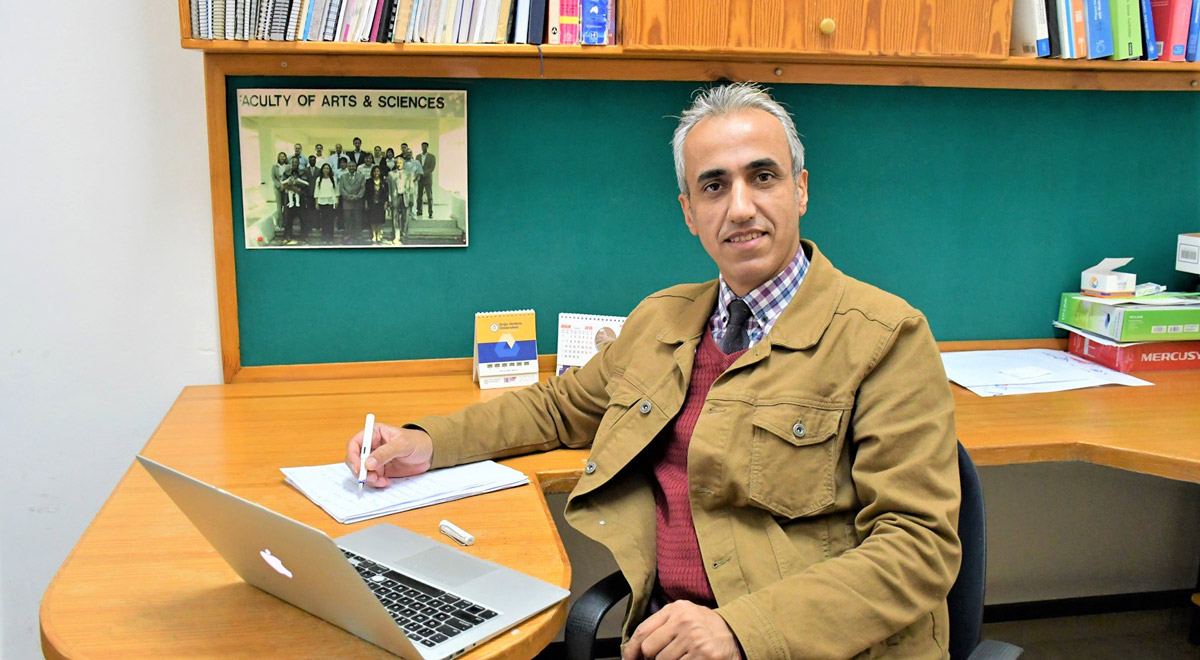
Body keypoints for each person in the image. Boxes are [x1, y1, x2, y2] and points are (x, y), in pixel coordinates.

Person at [345, 83, 960, 660]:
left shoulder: (886, 337)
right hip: (670, 635)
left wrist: (740, 631)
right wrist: (426, 442)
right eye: (714, 186)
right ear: (689, 211)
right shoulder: (663, 319)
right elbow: (557, 409)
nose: (740, 207)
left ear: (800, 189)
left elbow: (918, 547)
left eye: (763, 177)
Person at [279, 158, 308, 245]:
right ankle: (287, 236)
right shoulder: (286, 173)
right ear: (290, 163)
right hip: (289, 199)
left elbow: (305, 184)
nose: (294, 164)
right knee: (288, 219)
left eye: (296, 162)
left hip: (300, 198)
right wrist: (292, 187)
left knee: (303, 218)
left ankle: (304, 237)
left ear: (299, 163)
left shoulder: (302, 172)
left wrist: (295, 185)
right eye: (293, 162)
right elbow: (283, 185)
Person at [338, 160, 366, 245]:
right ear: (347, 167)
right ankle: (347, 237)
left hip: (357, 202)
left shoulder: (361, 176)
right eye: (349, 166)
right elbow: (341, 188)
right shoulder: (343, 177)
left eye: (353, 166)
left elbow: (362, 188)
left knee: (358, 220)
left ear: (356, 167)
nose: (351, 168)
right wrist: (347, 196)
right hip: (347, 202)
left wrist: (356, 197)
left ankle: (358, 237)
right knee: (347, 221)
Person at [313, 163, 338, 243]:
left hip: (331, 201)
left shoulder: (333, 179)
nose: (326, 170)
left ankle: (330, 237)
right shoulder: (318, 179)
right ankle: (324, 237)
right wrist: (316, 203)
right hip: (322, 201)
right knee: (324, 221)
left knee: (330, 220)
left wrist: (336, 201)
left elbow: (336, 191)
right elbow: (316, 191)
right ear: (322, 170)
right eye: (324, 168)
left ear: (329, 170)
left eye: (327, 168)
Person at [365, 165, 389, 245]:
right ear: (372, 172)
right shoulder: (368, 181)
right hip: (372, 203)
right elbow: (366, 193)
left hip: (381, 203)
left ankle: (378, 234)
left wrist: (386, 203)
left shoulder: (384, 182)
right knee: (372, 219)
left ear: (380, 172)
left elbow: (386, 194)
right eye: (374, 171)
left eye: (378, 171)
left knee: (380, 220)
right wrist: (366, 203)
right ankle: (374, 235)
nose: (376, 173)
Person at [270, 151, 289, 232]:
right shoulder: (275, 166)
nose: (282, 158)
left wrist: (284, 185)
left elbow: (289, 176)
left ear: (285, 158)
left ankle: (286, 223)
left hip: (286, 187)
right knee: (279, 206)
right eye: (280, 156)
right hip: (277, 188)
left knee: (286, 206)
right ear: (278, 157)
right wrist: (279, 185)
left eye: (283, 156)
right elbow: (273, 177)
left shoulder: (288, 166)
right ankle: (280, 224)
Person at [415, 142, 436, 217]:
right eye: (422, 146)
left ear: (427, 147)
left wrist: (423, 173)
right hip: (420, 179)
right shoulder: (418, 157)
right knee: (419, 196)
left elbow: (432, 168)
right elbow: (416, 166)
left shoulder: (432, 157)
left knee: (429, 196)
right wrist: (418, 174)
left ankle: (430, 212)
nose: (424, 148)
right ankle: (419, 211)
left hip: (427, 179)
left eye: (425, 146)